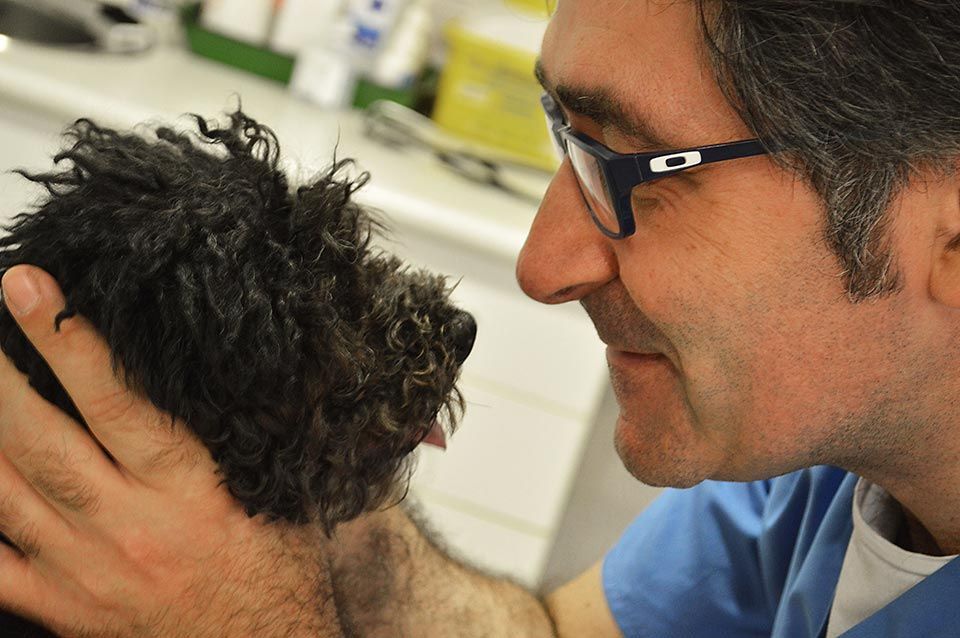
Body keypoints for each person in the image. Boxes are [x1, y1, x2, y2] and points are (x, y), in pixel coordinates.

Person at [0, 0, 958, 635]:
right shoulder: (824, 470)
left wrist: (246, 619)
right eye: (567, 138)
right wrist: (320, 527)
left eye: (632, 169)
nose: (542, 269)